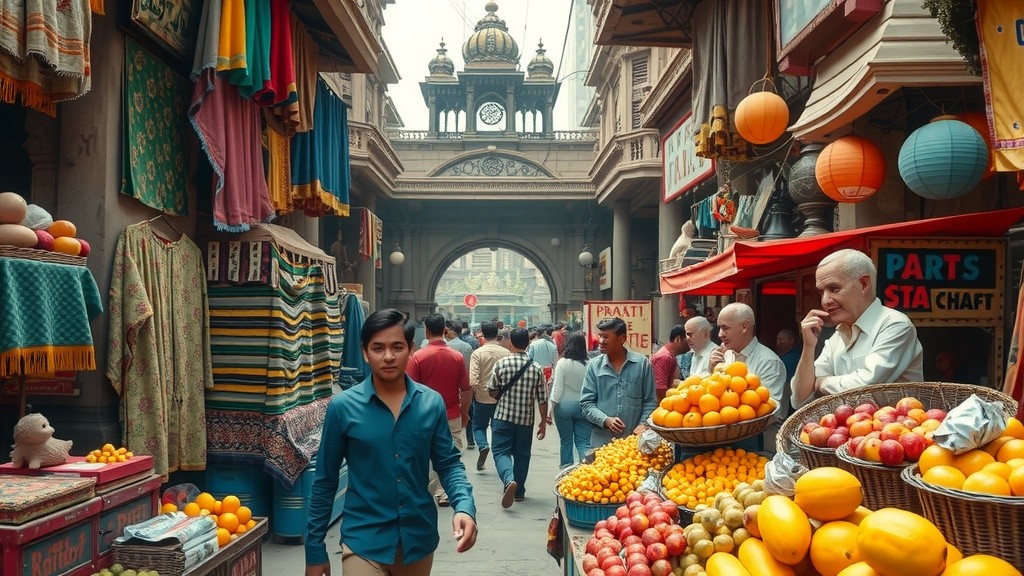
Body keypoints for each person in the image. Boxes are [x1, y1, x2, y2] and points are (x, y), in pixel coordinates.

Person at [304, 309, 477, 576]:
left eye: (397, 347)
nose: (387, 357)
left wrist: (464, 506)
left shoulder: (431, 403)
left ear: (410, 349)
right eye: (378, 348)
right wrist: (314, 548)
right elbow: (325, 481)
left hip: (418, 540)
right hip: (364, 539)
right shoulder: (342, 408)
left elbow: (449, 464)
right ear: (365, 352)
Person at [791, 249, 924, 410]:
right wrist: (808, 346)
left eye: (834, 289)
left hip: (898, 432)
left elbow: (865, 387)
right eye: (821, 292)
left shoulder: (895, 325)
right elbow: (800, 400)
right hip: (850, 432)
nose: (825, 300)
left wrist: (822, 382)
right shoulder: (837, 337)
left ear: (864, 284)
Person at [407, 314, 472, 507]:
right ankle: (443, 491)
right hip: (451, 413)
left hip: (423, 415)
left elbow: (410, 389)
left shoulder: (417, 357)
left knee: (425, 452)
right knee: (451, 453)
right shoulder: (457, 357)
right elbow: (466, 388)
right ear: (445, 329)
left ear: (426, 330)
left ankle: (430, 489)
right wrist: (465, 412)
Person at [710, 303, 787, 448]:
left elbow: (771, 409)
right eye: (719, 327)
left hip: (759, 442)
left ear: (744, 326)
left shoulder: (768, 361)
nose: (720, 334)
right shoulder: (726, 356)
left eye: (725, 328)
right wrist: (712, 372)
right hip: (727, 441)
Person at [487, 327, 548, 508]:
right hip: (525, 421)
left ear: (511, 342)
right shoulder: (536, 368)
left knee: (500, 452)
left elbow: (491, 389)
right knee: (522, 455)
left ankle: (508, 480)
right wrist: (543, 422)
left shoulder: (502, 363)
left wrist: (501, 395)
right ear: (528, 343)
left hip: (502, 417)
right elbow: (542, 399)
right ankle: (519, 491)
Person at [580, 317, 657, 449]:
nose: (601, 341)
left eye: (606, 337)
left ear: (621, 339)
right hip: (602, 444)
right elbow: (586, 404)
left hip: (634, 443)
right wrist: (605, 420)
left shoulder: (642, 364)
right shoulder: (594, 366)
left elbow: (650, 401)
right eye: (600, 336)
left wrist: (643, 424)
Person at [468, 321, 510, 471]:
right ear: (497, 335)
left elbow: (473, 380)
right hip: (501, 398)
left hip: (481, 398)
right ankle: (500, 457)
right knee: (497, 426)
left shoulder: (478, 353)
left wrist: (480, 390)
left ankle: (483, 445)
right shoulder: (506, 353)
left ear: (482, 334)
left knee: (478, 426)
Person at [549, 331, 591, 467]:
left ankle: (565, 470)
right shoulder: (590, 364)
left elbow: (557, 388)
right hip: (584, 407)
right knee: (583, 441)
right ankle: (588, 467)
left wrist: (550, 410)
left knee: (566, 441)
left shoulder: (563, 363)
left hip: (563, 408)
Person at [651, 324, 686, 400]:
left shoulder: (670, 356)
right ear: (678, 339)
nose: (690, 343)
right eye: (687, 340)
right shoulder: (664, 357)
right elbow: (660, 391)